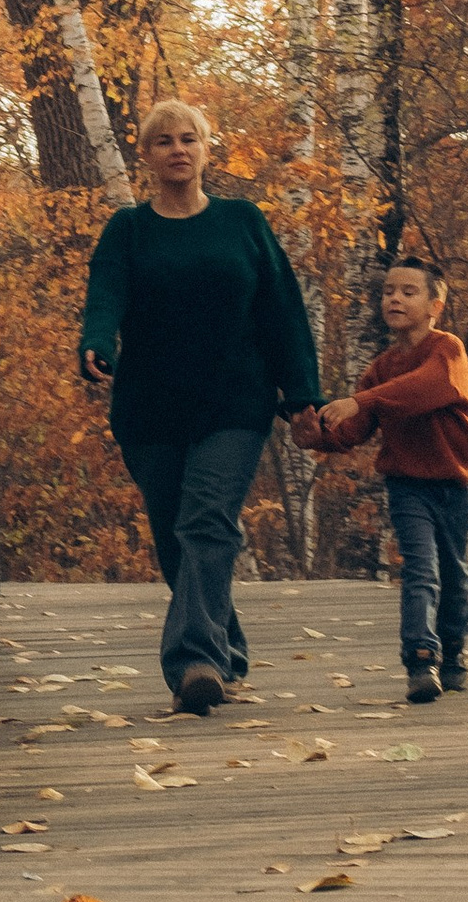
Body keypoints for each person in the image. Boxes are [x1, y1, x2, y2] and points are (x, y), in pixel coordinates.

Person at [78, 99, 321, 714]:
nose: (178, 150)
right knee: (175, 541)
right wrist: (97, 344)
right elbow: (104, 299)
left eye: (189, 139)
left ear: (208, 149)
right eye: (164, 141)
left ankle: (194, 660)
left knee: (207, 522)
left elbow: (283, 313)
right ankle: (226, 650)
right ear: (147, 155)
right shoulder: (128, 230)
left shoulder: (243, 222)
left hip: (235, 402)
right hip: (150, 407)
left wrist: (301, 398)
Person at [296, 255, 468, 702]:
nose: (395, 298)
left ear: (435, 304)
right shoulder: (381, 368)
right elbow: (354, 433)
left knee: (456, 577)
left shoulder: (447, 350)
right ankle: (420, 660)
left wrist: (360, 400)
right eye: (388, 291)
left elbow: (428, 387)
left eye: (408, 291)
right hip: (407, 485)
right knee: (421, 569)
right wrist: (315, 436)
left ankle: (453, 653)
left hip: (454, 485)